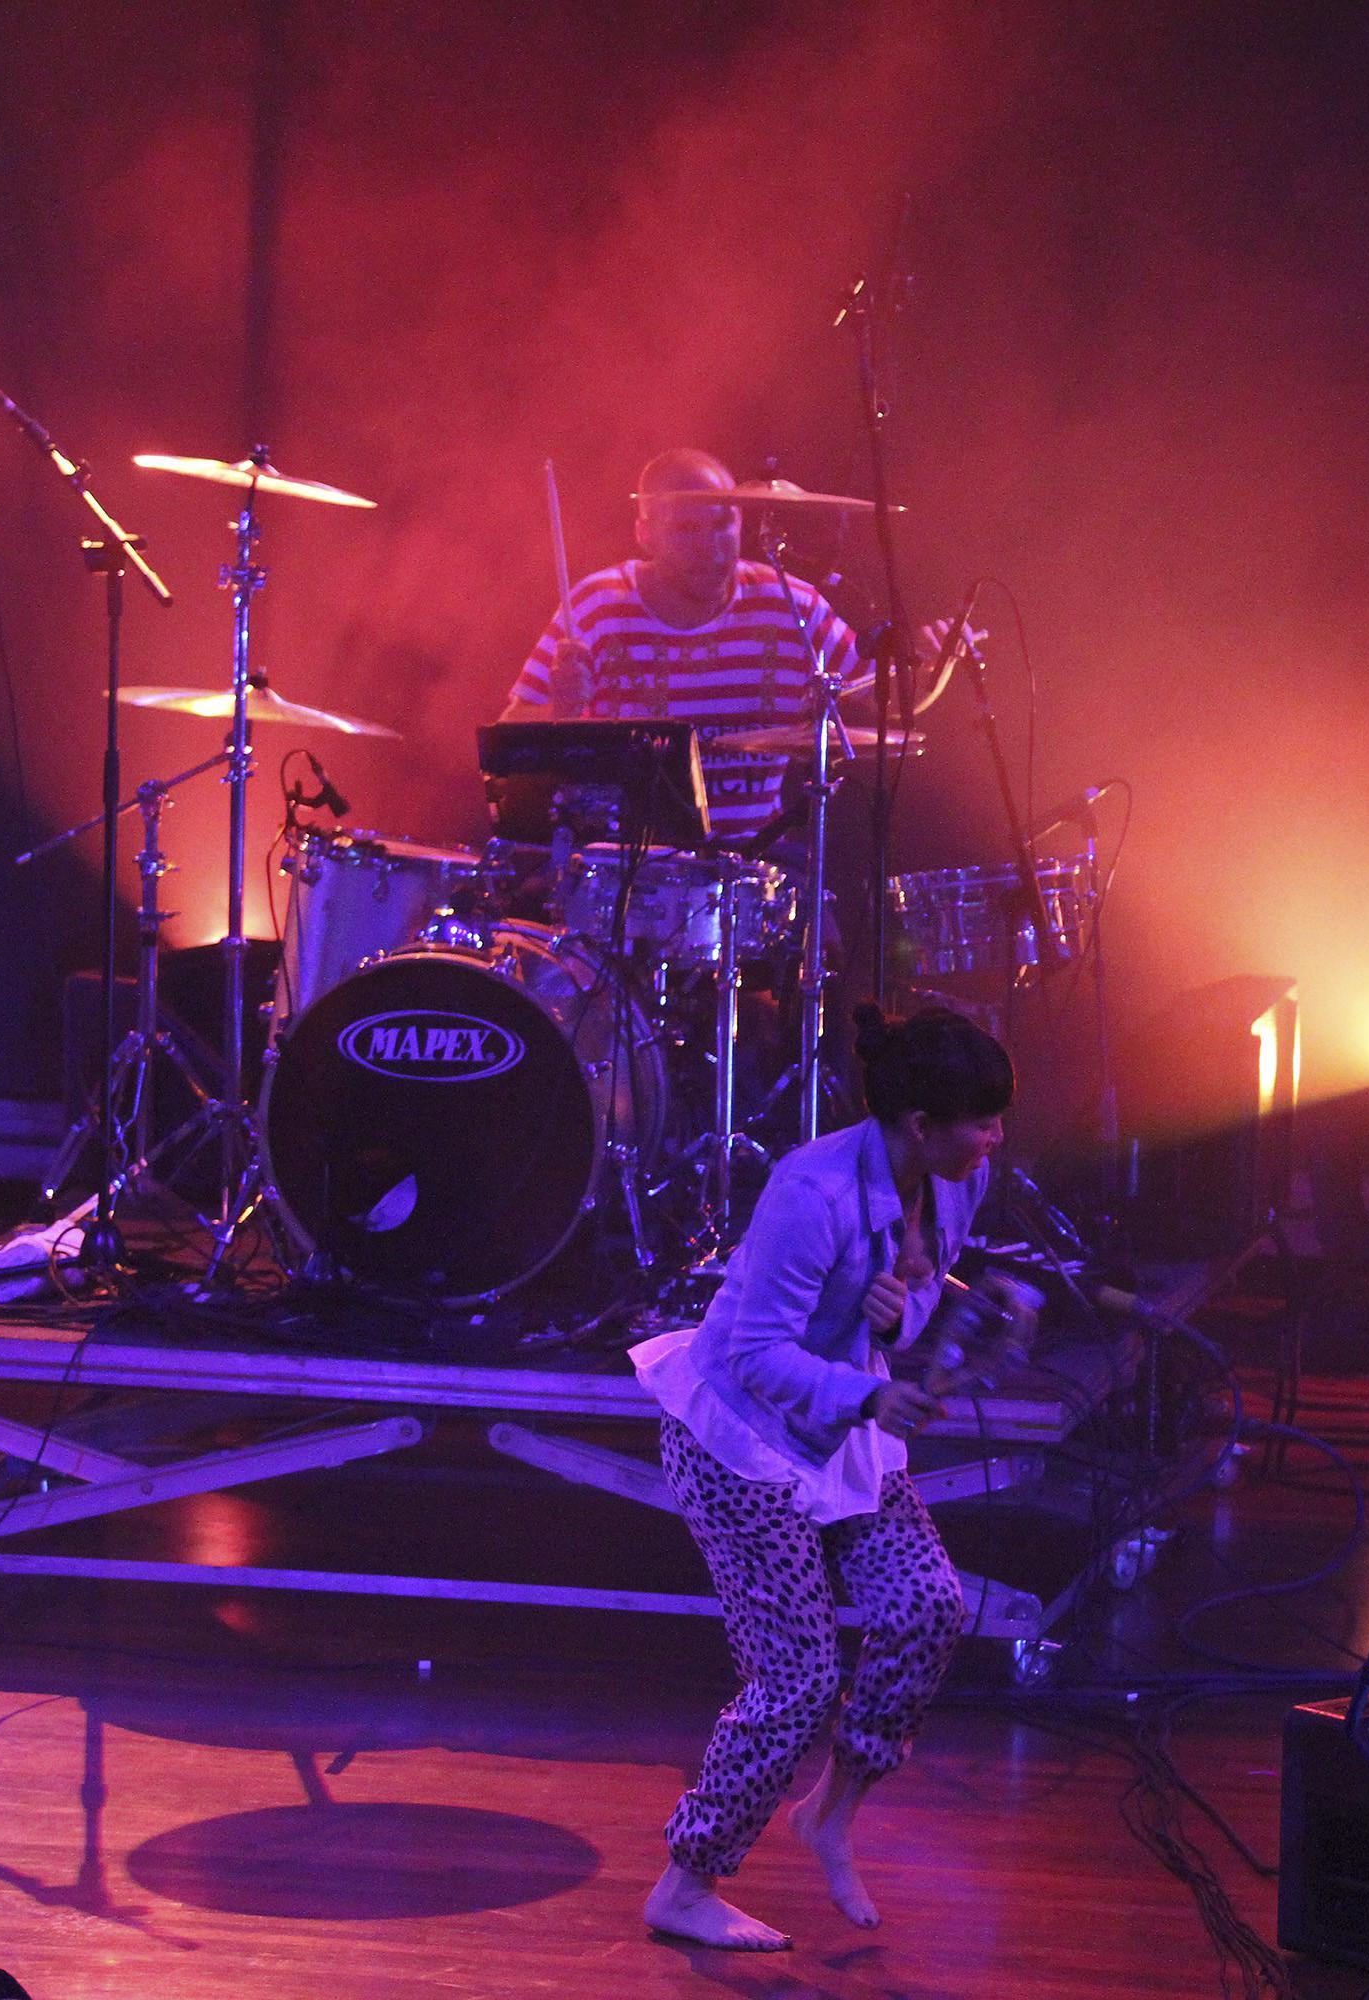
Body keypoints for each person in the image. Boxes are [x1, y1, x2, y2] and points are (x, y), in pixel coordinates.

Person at [623, 1004, 1008, 1950]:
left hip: (834, 1433)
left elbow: (914, 1303)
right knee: (797, 1680)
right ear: (920, 1123)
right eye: (981, 1121)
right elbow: (754, 1356)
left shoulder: (959, 1180)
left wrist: (897, 1321)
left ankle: (830, 1813)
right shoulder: (812, 1191)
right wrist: (871, 1394)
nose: (996, 1137)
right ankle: (685, 1885)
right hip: (742, 1447)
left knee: (927, 1606)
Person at [500, 448, 862, 844]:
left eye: (722, 525)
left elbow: (881, 692)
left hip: (759, 862)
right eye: (687, 529)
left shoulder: (792, 604)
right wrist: (561, 711)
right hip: (635, 865)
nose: (710, 546)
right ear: (645, 535)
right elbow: (509, 737)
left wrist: (918, 661)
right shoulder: (598, 605)